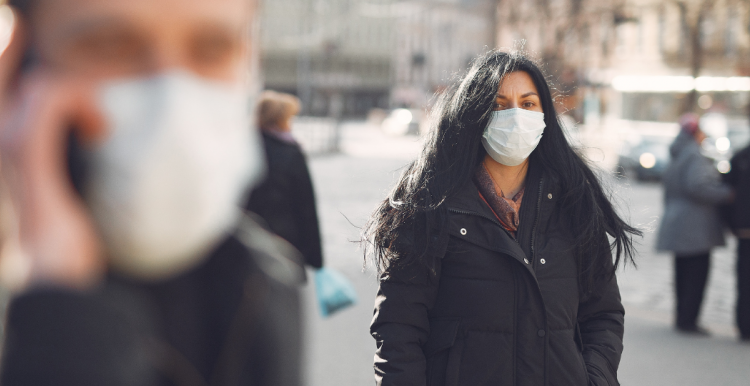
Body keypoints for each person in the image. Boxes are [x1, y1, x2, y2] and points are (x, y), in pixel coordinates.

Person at [0, 0, 305, 385]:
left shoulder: (261, 281)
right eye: (110, 45)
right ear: (18, 67)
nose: (171, 98)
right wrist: (58, 315)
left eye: (213, 47)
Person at [365, 51, 640, 386]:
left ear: (545, 115)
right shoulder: (428, 207)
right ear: (473, 114)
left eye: (527, 104)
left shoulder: (574, 203)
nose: (515, 116)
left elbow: (603, 314)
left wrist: (593, 379)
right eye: (498, 104)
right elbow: (398, 329)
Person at [656, 113, 734, 335]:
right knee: (696, 276)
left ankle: (683, 317)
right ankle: (688, 320)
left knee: (682, 274)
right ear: (696, 132)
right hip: (695, 228)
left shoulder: (677, 154)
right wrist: (727, 194)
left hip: (678, 222)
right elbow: (698, 186)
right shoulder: (694, 156)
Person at [246, 91, 323, 269]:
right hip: (284, 244)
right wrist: (316, 262)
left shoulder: (242, 147)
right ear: (281, 119)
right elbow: (306, 208)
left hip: (246, 240)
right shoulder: (290, 153)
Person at [725, 129, 750, 342]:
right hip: (744, 229)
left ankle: (744, 326)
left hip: (744, 229)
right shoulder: (741, 156)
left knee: (744, 279)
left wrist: (733, 223)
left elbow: (729, 192)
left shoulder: (741, 156)